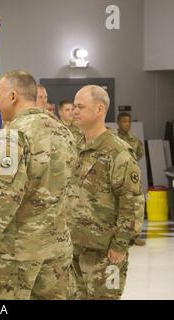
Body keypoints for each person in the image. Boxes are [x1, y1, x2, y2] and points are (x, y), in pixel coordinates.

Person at [0, 70, 76, 300]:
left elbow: (8, 196)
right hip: (57, 248)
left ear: (13, 96)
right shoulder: (63, 132)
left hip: (19, 252)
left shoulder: (13, 135)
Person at [69, 85, 145, 299]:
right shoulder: (76, 146)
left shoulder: (118, 152)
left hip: (105, 254)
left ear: (99, 109)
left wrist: (120, 245)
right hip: (74, 249)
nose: (75, 111)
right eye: (74, 106)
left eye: (80, 107)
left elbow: (132, 203)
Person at [116, 112, 146, 246]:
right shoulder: (113, 137)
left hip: (133, 176)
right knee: (118, 204)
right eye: (124, 121)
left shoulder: (134, 139)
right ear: (118, 122)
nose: (127, 124)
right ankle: (120, 235)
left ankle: (136, 234)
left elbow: (140, 153)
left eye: (129, 122)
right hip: (117, 174)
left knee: (138, 203)